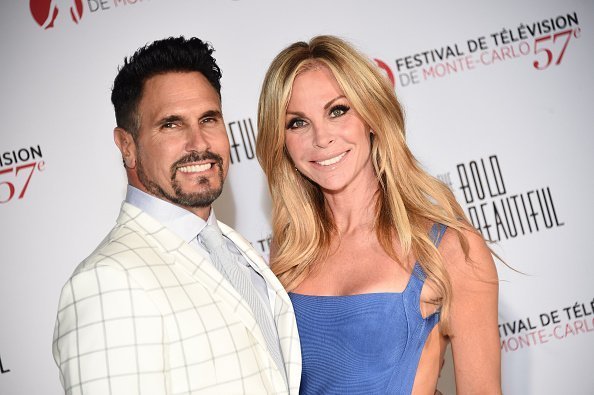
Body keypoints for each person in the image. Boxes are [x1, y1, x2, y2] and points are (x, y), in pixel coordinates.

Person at [52, 36, 301, 394]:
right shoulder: (107, 282)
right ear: (127, 145)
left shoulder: (235, 250)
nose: (198, 143)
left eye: (208, 119)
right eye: (171, 124)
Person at [256, 35, 501, 394]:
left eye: (337, 110)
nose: (320, 138)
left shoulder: (450, 249)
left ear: (371, 116)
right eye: (297, 123)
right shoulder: (289, 251)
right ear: (282, 141)